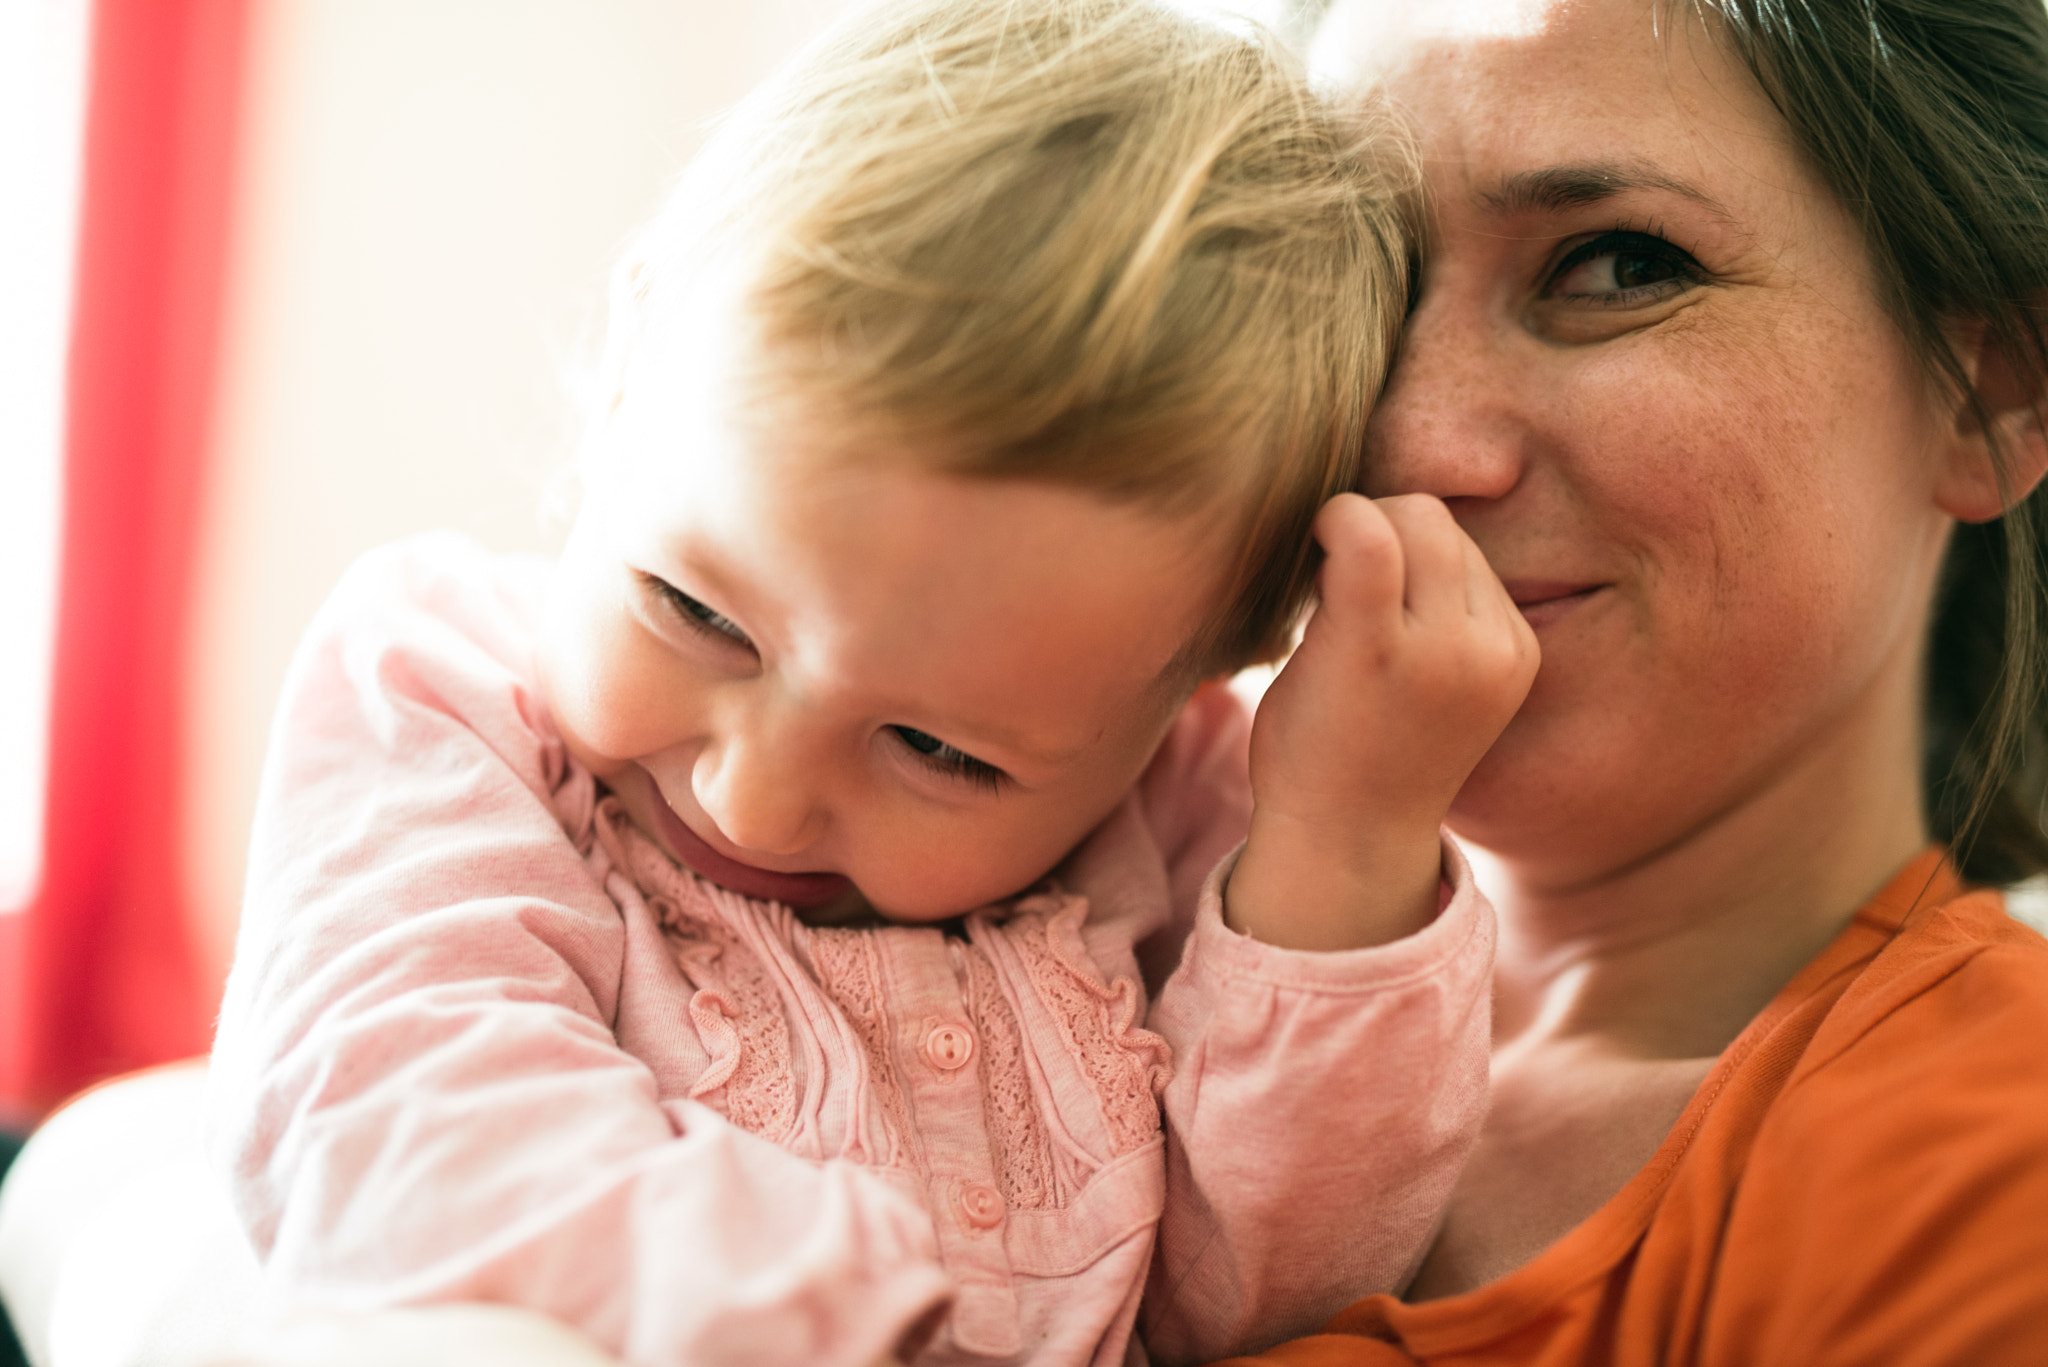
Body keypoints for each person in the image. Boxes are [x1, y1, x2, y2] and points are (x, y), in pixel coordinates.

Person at [193, 2, 1535, 1366]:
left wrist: (1342, 851)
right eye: (699, 612)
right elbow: (395, 1135)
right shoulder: (442, 690)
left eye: (943, 754)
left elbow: (1252, 1305)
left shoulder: (1186, 823)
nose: (754, 800)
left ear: (1187, 699)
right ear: (627, 372)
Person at [1207, 0, 2048, 1362]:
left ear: (1992, 390)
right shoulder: (1017, 915)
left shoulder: (1993, 1178)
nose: (1413, 439)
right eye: (1354, 282)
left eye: (1616, 265)